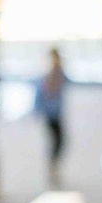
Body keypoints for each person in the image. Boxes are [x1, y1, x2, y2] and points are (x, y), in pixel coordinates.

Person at [36, 47, 67, 182]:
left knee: (60, 141)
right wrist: (37, 110)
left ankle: (53, 165)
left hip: (57, 113)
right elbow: (40, 95)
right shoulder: (47, 75)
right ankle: (52, 166)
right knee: (57, 141)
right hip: (50, 114)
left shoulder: (59, 73)